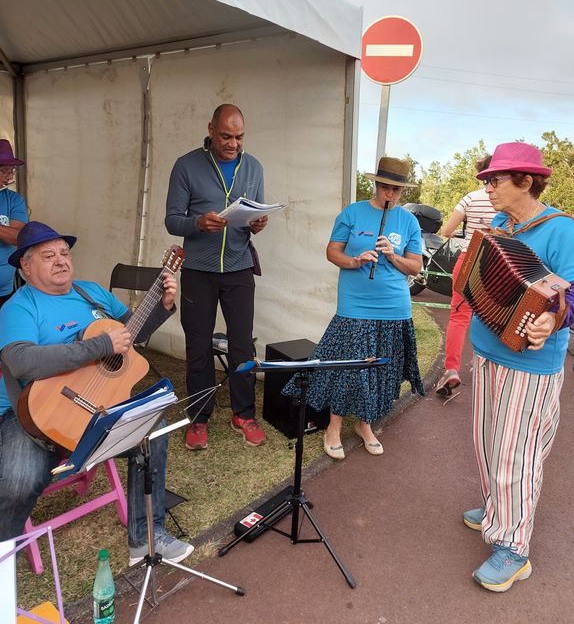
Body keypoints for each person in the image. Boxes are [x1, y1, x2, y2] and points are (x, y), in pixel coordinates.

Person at [0, 221, 194, 567]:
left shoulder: (92, 293)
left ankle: (146, 537)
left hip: (98, 406)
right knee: (17, 482)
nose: (61, 260)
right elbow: (21, 362)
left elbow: (130, 336)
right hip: (35, 417)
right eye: (49, 255)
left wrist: (162, 305)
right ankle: (3, 562)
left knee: (152, 431)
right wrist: (99, 345)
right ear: (26, 267)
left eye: (64, 253)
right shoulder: (19, 307)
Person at [462, 142, 574, 592]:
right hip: (489, 351)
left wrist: (551, 317)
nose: (487, 188)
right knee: (488, 442)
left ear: (525, 182)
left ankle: (514, 548)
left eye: (495, 181)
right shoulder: (502, 223)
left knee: (517, 454)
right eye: (487, 181)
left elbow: (571, 292)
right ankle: (495, 509)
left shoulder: (562, 229)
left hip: (532, 364)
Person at [283, 156, 425, 460]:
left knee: (379, 368)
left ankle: (364, 424)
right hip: (355, 304)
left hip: (393, 307)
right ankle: (333, 427)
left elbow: (415, 266)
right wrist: (356, 260)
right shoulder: (352, 213)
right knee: (346, 366)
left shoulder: (408, 221)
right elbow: (332, 252)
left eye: (397, 190)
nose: (390, 194)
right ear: (376, 184)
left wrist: (393, 257)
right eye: (386, 187)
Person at [165, 103, 268, 450]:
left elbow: (255, 213)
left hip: (239, 268)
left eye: (239, 137)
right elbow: (171, 219)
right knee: (198, 345)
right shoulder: (186, 165)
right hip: (198, 270)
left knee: (242, 344)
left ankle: (244, 413)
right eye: (226, 136)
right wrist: (197, 222)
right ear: (211, 129)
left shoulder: (254, 167)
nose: (233, 143)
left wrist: (257, 223)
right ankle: (198, 417)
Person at [435, 155, 496, 395]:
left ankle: (451, 369)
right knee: (491, 316)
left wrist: (467, 234)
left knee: (459, 316)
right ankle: (485, 366)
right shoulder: (508, 203)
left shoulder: (470, 198)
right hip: (497, 264)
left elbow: (447, 231)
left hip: (469, 259)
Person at [0, 139, 28, 308]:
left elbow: (19, 237)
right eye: (4, 171)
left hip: (4, 291)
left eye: (12, 171)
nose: (10, 176)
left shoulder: (13, 200)